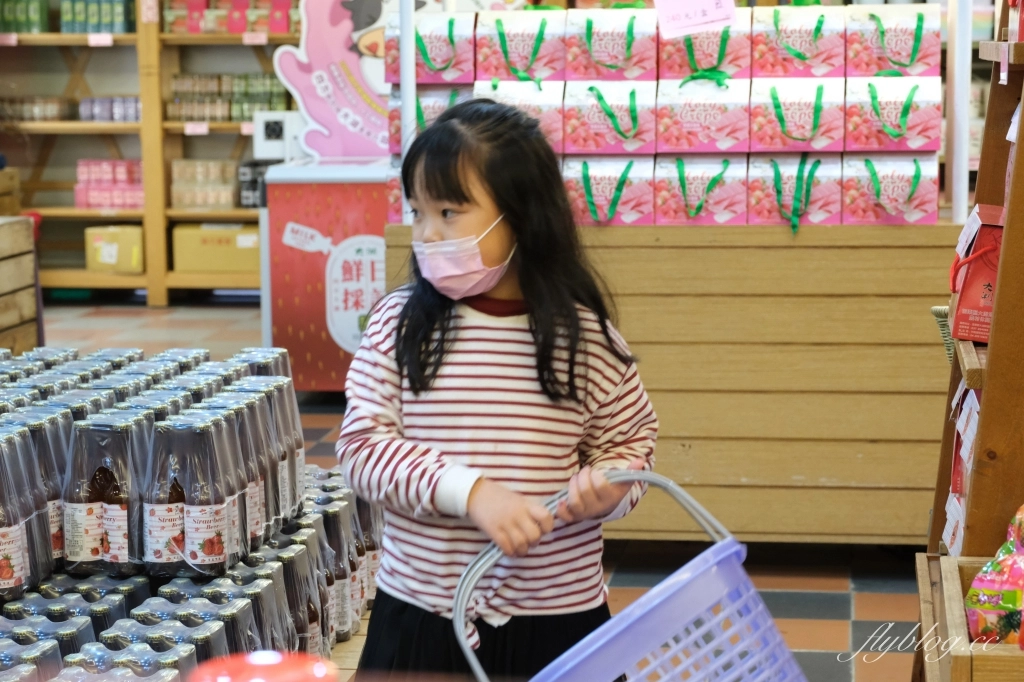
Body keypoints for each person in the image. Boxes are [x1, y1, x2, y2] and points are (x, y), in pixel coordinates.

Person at [337, 99, 658, 679]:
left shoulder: (583, 338)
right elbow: (362, 450)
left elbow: (631, 444)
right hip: (422, 612)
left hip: (560, 616)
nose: (427, 234)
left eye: (449, 212)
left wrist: (609, 487)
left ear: (522, 215)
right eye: (417, 212)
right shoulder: (397, 325)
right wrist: (472, 492)